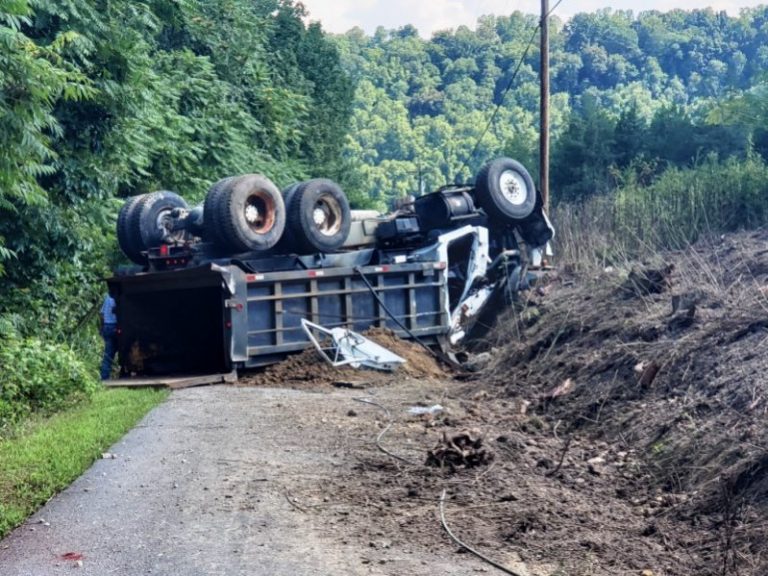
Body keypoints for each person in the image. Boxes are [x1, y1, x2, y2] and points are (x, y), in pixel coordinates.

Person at [99, 291, 118, 380]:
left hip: (106, 326)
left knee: (108, 354)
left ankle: (104, 377)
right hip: (114, 326)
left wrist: (102, 328)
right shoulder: (116, 298)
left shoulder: (107, 297)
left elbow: (102, 314)